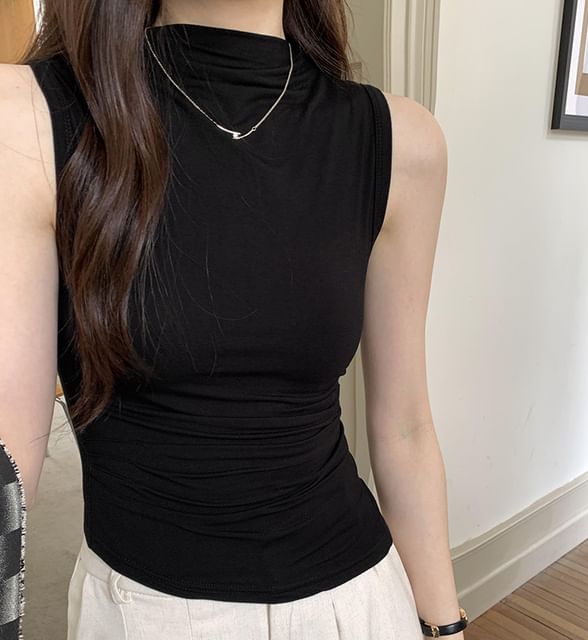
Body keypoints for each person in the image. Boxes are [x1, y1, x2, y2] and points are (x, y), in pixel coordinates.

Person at [0, 0, 466, 638]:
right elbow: (7, 456)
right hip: (149, 615)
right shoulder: (27, 117)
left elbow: (406, 428)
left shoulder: (401, 141)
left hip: (360, 603)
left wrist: (444, 627)